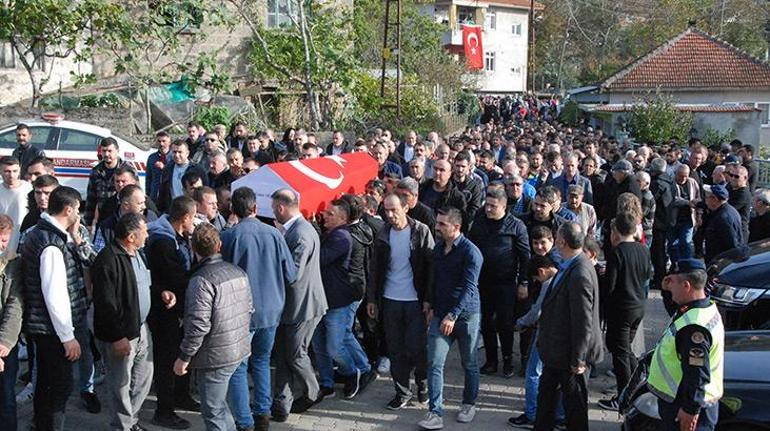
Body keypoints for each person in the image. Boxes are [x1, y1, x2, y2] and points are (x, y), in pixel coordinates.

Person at [221, 188, 298, 430]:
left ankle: (244, 421)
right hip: (272, 309)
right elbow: (291, 274)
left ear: (234, 209)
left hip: (242, 312)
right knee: (262, 361)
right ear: (255, 208)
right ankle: (262, 413)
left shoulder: (230, 236)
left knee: (239, 367)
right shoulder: (274, 234)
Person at [20, 186, 89, 431]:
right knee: (58, 388)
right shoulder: (51, 245)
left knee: (46, 385)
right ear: (68, 209)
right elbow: (55, 295)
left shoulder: (45, 234)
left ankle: (40, 425)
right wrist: (68, 337)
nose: (79, 214)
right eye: (78, 209)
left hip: (44, 328)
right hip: (51, 331)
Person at [173, 223, 253, 431]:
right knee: (220, 407)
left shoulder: (201, 280)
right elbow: (249, 309)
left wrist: (184, 357)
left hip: (215, 357)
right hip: (238, 349)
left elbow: (198, 325)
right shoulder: (238, 272)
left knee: (213, 411)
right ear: (219, 245)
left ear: (193, 248)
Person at [418, 207, 483, 430]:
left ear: (456, 227)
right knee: (435, 361)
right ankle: (435, 412)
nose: (436, 227)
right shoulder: (438, 249)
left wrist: (453, 315)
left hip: (465, 316)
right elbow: (434, 278)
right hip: (440, 313)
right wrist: (429, 303)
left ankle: (469, 403)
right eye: (437, 223)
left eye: (442, 224)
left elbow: (469, 287)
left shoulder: (470, 252)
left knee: (469, 362)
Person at [367, 193, 434, 410]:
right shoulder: (383, 234)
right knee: (395, 349)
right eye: (386, 210)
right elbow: (375, 269)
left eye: (394, 209)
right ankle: (402, 391)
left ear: (405, 208)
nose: (390, 215)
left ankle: (423, 384)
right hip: (390, 299)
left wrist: (429, 300)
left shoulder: (421, 231)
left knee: (417, 348)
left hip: (415, 300)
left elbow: (431, 269)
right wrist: (372, 299)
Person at [535, 222, 603, 431]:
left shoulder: (579, 272)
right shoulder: (571, 265)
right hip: (557, 351)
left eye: (556, 237)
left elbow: (583, 321)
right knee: (546, 399)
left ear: (561, 241)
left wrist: (579, 359)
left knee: (574, 408)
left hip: (569, 355)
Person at [269, 189, 328, 421]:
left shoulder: (301, 234)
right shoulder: (295, 230)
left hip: (304, 306)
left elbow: (292, 273)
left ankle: (313, 391)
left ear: (281, 208)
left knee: (295, 354)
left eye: (274, 207)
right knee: (284, 354)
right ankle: (282, 403)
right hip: (293, 307)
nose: (273, 211)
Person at [91, 213, 154, 431]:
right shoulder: (108, 260)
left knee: (143, 377)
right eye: (143, 231)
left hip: (141, 328)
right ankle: (122, 426)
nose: (147, 235)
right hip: (121, 334)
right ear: (130, 236)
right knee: (120, 383)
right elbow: (106, 304)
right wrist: (118, 337)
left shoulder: (137, 254)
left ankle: (130, 420)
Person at [649, 258, 724, 431]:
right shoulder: (703, 307)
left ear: (687, 286)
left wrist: (689, 410)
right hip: (691, 401)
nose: (669, 286)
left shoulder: (694, 329)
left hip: (684, 406)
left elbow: (697, 373)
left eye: (673, 282)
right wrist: (666, 286)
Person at [314, 199, 376, 400]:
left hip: (338, 300)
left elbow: (319, 258)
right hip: (327, 298)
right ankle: (329, 381)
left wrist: (312, 231)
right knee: (323, 342)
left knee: (335, 344)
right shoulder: (333, 233)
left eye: (330, 213)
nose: (325, 214)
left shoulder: (341, 237)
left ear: (342, 218)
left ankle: (353, 371)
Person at [145, 196, 198, 430]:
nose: (194, 222)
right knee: (167, 360)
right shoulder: (164, 242)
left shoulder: (177, 237)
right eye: (193, 217)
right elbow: (175, 277)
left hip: (178, 309)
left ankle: (181, 395)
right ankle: (164, 410)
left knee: (180, 353)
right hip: (165, 311)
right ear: (185, 218)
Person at [469, 187, 530, 378]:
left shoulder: (516, 226)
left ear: (503, 206)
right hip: (483, 283)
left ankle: (508, 360)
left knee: (505, 324)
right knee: (486, 323)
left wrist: (524, 282)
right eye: (487, 205)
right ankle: (491, 361)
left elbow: (525, 256)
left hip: (506, 283)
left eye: (493, 206)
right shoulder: (479, 224)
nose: (488, 209)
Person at [598, 213, 651, 410]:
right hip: (638, 305)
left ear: (616, 232)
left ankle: (624, 397)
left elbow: (610, 286)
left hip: (621, 309)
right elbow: (647, 274)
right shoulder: (643, 249)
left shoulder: (617, 253)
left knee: (619, 352)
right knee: (625, 349)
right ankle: (636, 386)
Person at [508, 255, 565, 428]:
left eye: (536, 278)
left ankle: (532, 414)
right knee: (559, 377)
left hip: (547, 334)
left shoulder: (548, 284)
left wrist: (520, 323)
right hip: (562, 336)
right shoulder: (565, 275)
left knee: (533, 372)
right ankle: (560, 416)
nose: (537, 281)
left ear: (541, 271)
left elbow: (536, 312)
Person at [0, 215, 22, 431]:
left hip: (6, 347)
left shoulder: (12, 267)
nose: (0, 245)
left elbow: (15, 307)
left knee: (7, 398)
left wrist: (4, 345)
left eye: (4, 241)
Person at [84, 138, 132, 228]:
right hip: (103, 219)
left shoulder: (129, 170)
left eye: (110, 151)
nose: (106, 154)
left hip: (122, 219)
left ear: (117, 151)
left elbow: (135, 194)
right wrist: (88, 223)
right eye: (104, 151)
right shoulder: (96, 171)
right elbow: (91, 199)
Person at [93, 184, 153, 253]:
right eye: (140, 203)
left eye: (144, 202)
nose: (144, 207)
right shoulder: (106, 227)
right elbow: (99, 255)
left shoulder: (151, 218)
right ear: (126, 205)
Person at [157, 140, 207, 214]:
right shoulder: (167, 169)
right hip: (173, 210)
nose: (177, 155)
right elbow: (163, 191)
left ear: (187, 153)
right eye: (174, 152)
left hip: (192, 210)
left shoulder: (198, 170)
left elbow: (205, 191)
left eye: (180, 152)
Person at [0, 156, 33, 259]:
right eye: (7, 171)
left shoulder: (28, 189)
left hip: (20, 237)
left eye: (15, 171)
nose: (11, 175)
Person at [702, 185, 743, 264]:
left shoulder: (723, 218)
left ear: (715, 199)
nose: (705, 200)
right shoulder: (727, 211)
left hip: (720, 263)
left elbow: (732, 245)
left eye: (707, 197)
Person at [452, 152, 484, 223]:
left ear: (469, 166)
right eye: (457, 166)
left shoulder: (474, 187)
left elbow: (475, 209)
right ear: (453, 165)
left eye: (463, 166)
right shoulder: (447, 182)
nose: (460, 169)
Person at [726, 165, 751, 245]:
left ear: (745, 178)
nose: (733, 178)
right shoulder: (729, 187)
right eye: (731, 175)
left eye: (737, 176)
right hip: (728, 229)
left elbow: (726, 209)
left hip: (738, 233)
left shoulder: (744, 194)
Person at [146, 132, 172, 202]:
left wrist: (164, 168)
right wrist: (148, 194)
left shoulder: (174, 157)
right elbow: (148, 177)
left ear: (169, 142)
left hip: (169, 195)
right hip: (154, 195)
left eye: (164, 141)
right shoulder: (152, 157)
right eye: (159, 141)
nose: (161, 144)